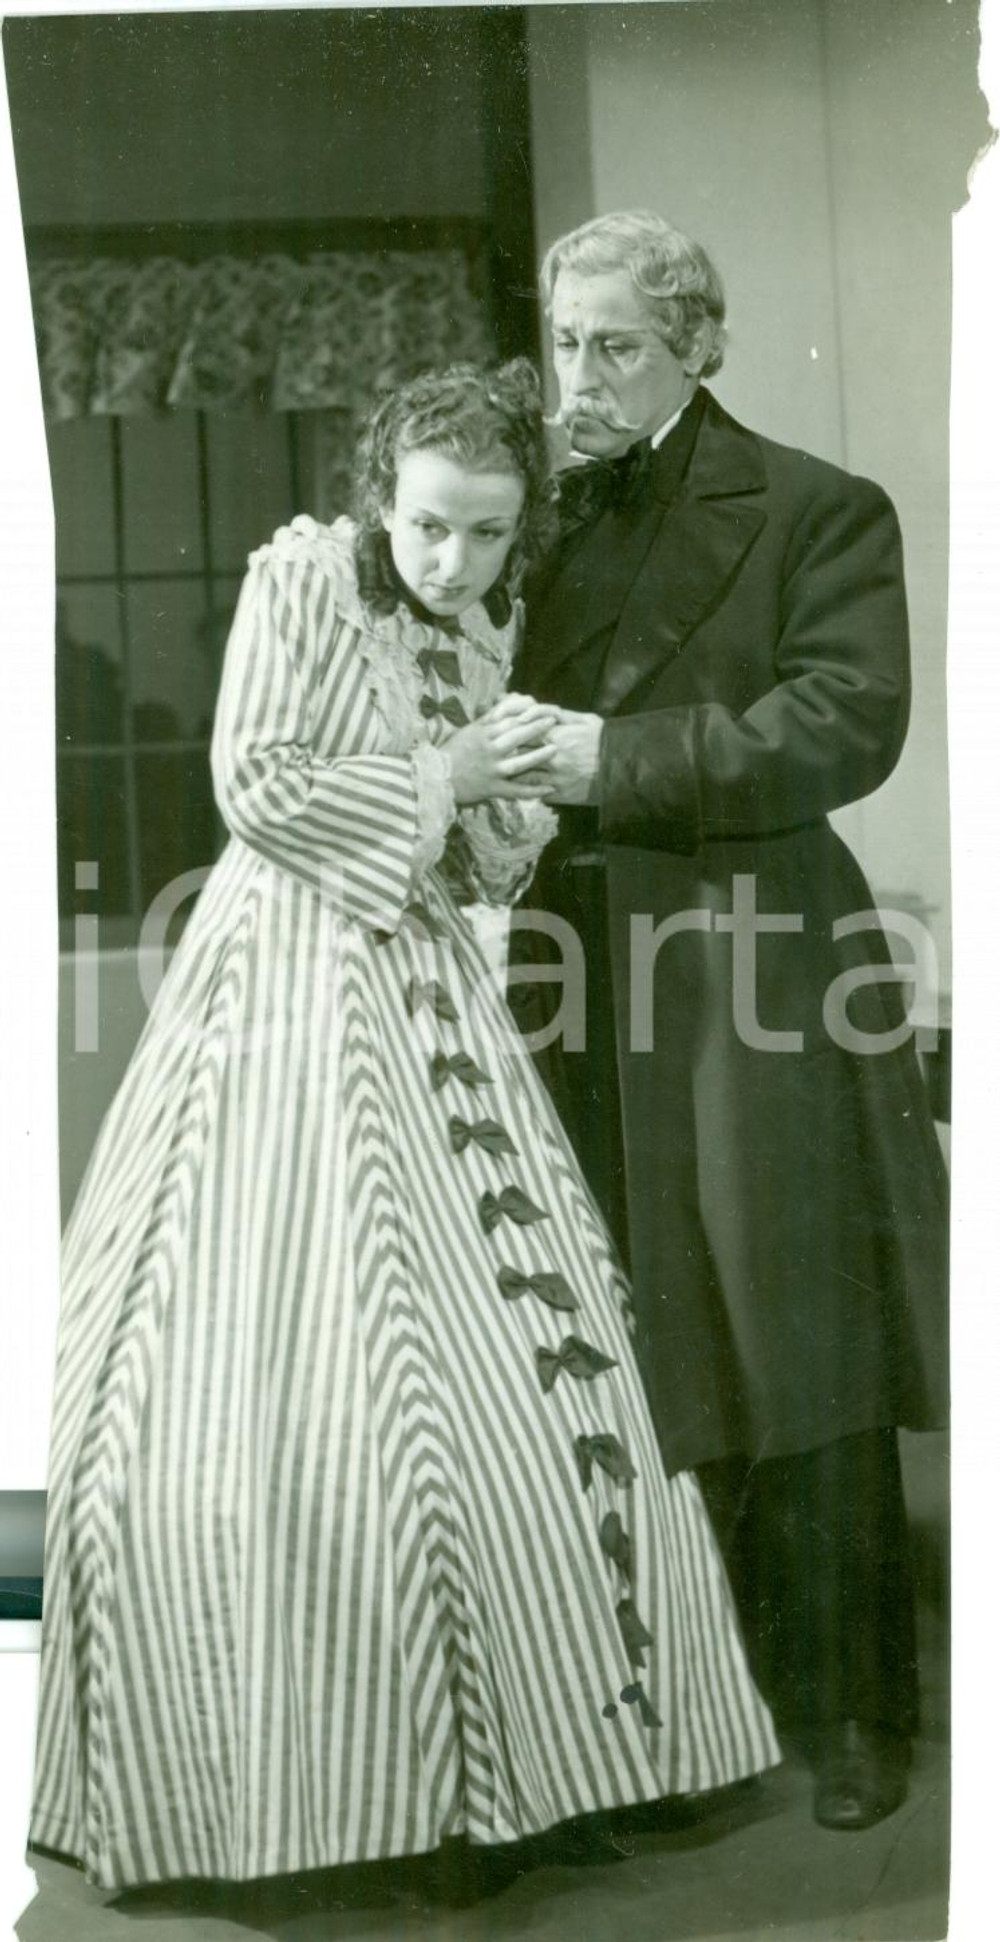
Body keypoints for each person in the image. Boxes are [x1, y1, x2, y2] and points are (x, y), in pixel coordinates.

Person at [30, 359, 778, 1893]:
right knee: (312, 1349)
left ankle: (551, 1758)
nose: (453, 559)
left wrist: (512, 795)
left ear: (521, 529)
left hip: (434, 987)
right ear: (382, 494)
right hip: (289, 986)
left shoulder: (489, 623)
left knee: (517, 1354)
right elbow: (256, 782)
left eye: (488, 534)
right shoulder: (302, 577)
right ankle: (327, 1792)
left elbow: (486, 864)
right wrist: (445, 770)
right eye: (430, 525)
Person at [508, 212, 949, 1832]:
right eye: (569, 341)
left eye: (618, 343)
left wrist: (610, 761)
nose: (585, 374)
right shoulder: (532, 518)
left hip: (748, 953)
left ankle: (855, 1711)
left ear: (700, 343)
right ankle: (687, 1716)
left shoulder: (818, 506)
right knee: (615, 1329)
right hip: (566, 957)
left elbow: (846, 721)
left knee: (794, 1335)